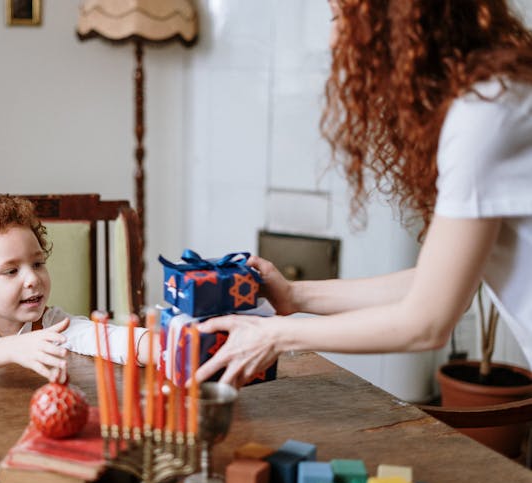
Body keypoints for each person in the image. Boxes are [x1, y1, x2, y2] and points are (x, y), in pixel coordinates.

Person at [195, 0, 532, 387]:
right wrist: (295, 296)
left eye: (342, 17)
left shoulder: (485, 114)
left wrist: (274, 335)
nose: (334, 37)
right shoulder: (494, 96)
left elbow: (428, 321)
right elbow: (437, 283)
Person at [0, 191, 149, 383]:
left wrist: (157, 346)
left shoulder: (51, 324)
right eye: (11, 271)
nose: (32, 278)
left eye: (38, 264)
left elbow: (105, 338)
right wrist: (13, 348)